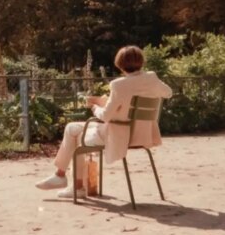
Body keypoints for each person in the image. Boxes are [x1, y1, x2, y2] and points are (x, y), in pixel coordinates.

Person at [35, 45, 173, 199]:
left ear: (120, 64)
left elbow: (105, 116)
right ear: (141, 61)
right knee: (73, 129)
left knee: (73, 133)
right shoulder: (151, 78)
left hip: (118, 135)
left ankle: (69, 181)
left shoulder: (119, 85)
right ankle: (67, 181)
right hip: (141, 135)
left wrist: (95, 107)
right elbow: (168, 93)